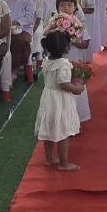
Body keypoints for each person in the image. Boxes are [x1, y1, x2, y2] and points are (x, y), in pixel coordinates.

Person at [35, 29, 85, 171]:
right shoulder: (63, 64)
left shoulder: (46, 61)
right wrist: (77, 89)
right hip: (60, 101)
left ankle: (49, 158)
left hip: (48, 98)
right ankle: (64, 163)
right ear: (66, 47)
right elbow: (64, 84)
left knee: (50, 127)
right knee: (63, 131)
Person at [5, 0, 37, 86]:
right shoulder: (3, 2)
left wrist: (16, 22)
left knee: (19, 42)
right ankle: (1, 73)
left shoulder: (27, 1)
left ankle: (13, 71)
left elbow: (30, 18)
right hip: (7, 31)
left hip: (24, 31)